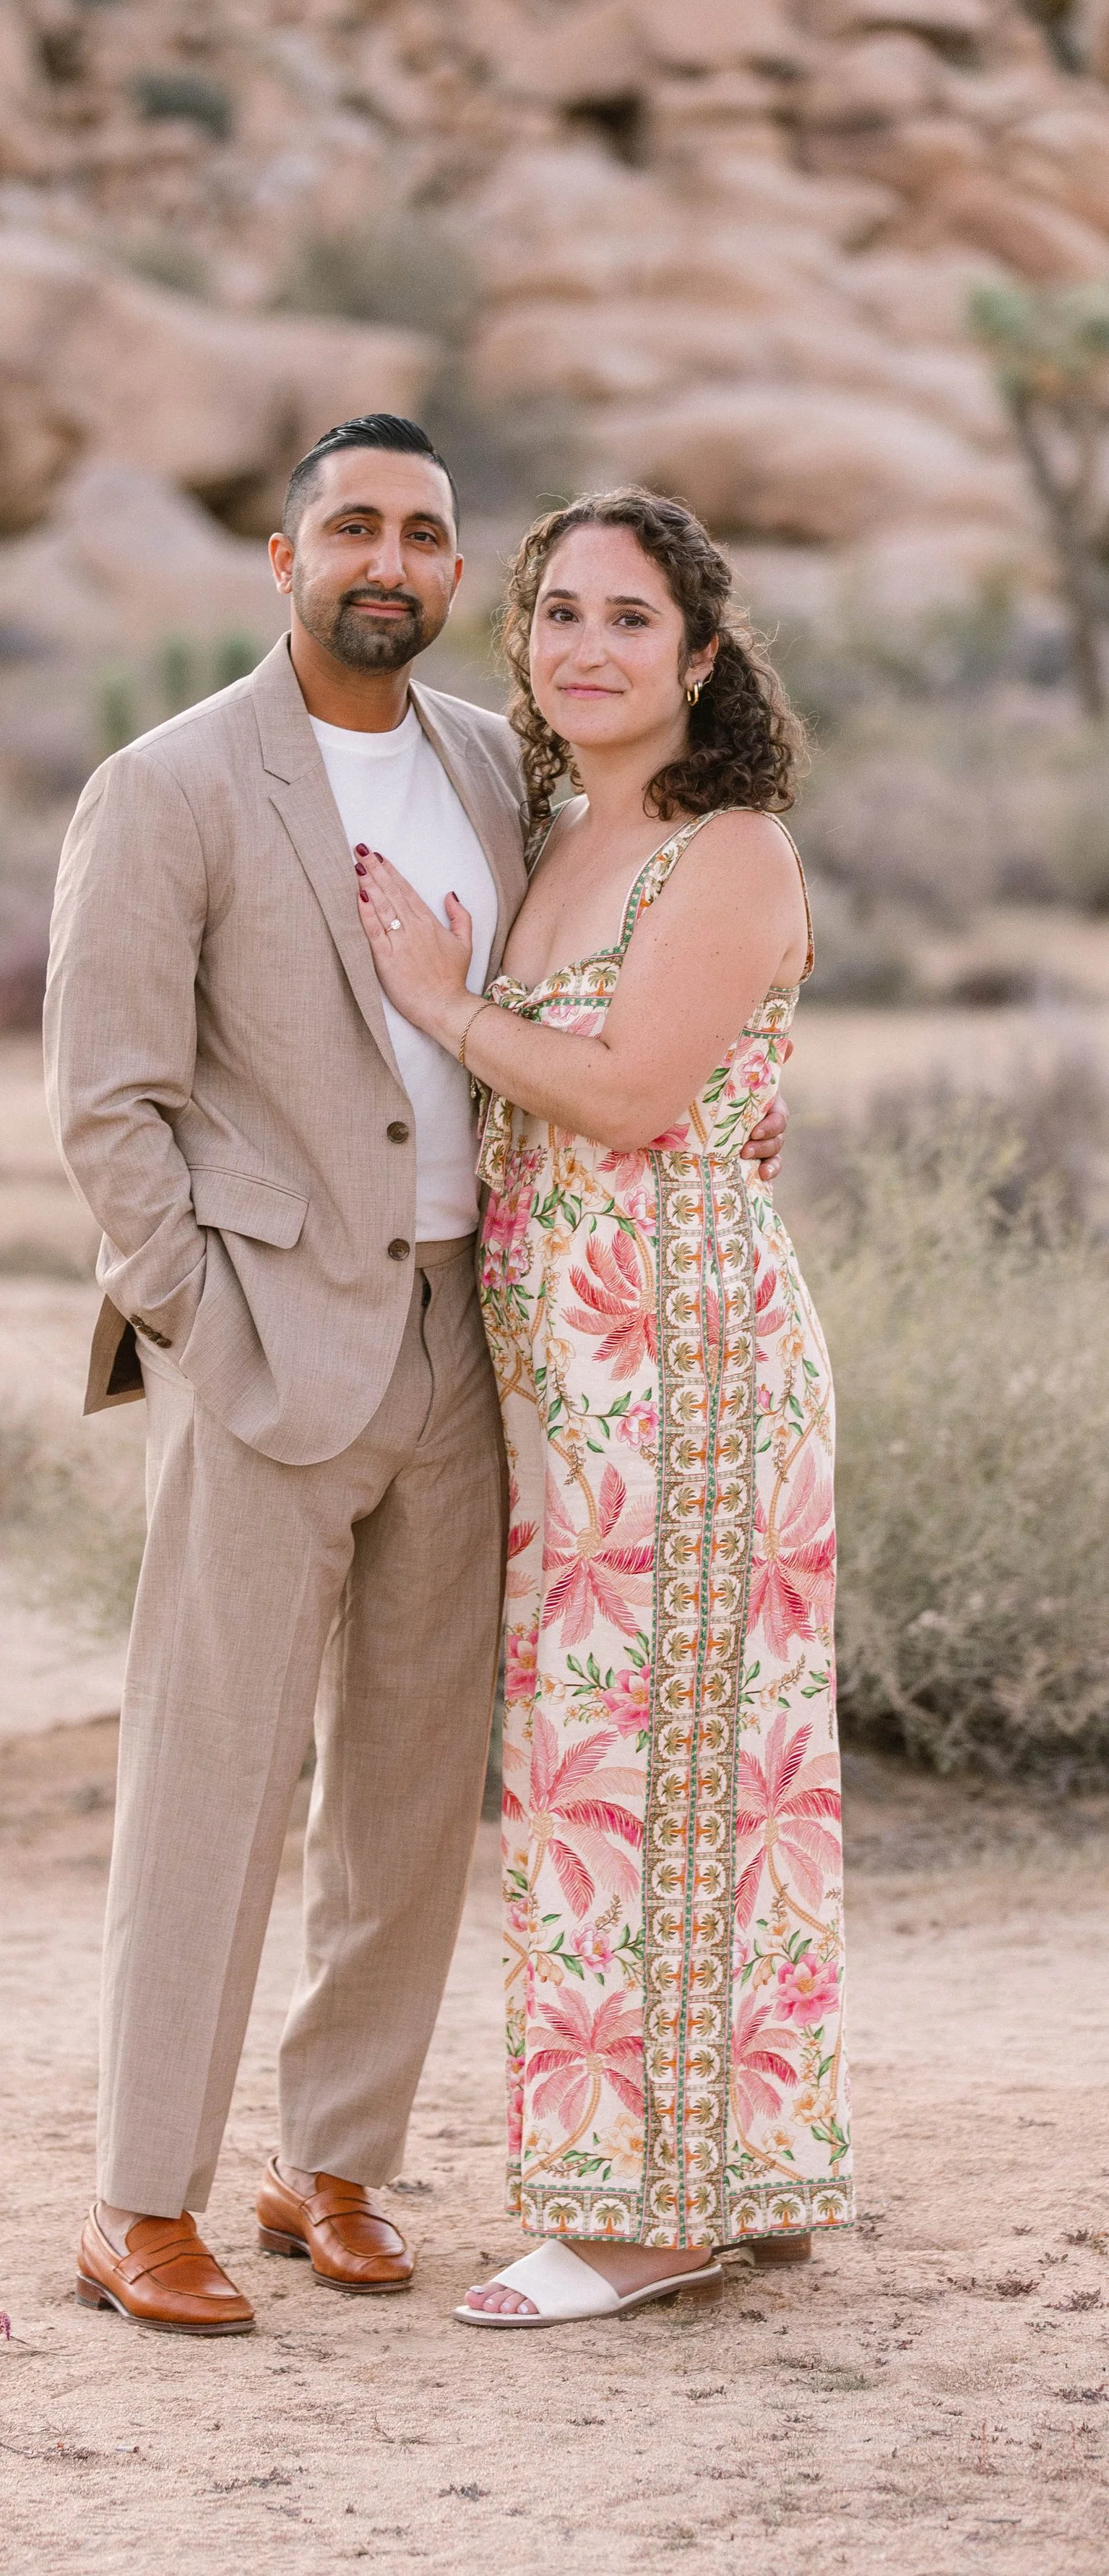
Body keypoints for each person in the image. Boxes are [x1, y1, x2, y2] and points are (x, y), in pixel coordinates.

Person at [44, 424, 787, 2339]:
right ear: (282, 552)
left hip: (472, 1343)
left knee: (399, 1788)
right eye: (351, 523)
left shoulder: (487, 759)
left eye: (425, 532)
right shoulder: (168, 783)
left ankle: (334, 2160)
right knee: (212, 1772)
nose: (389, 555)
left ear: (453, 571)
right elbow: (104, 1099)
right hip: (271, 1347)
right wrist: (203, 1321)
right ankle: (142, 2197)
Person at [350, 486, 850, 2332]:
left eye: (627, 618)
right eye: (555, 611)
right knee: (624, 1761)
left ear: (698, 656)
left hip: (691, 1359)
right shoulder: (554, 831)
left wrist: (435, 995)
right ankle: (735, 2167)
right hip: (570, 1361)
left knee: (649, 1772)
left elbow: (633, 1091)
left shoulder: (727, 853)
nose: (580, 645)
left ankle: (651, 2213)